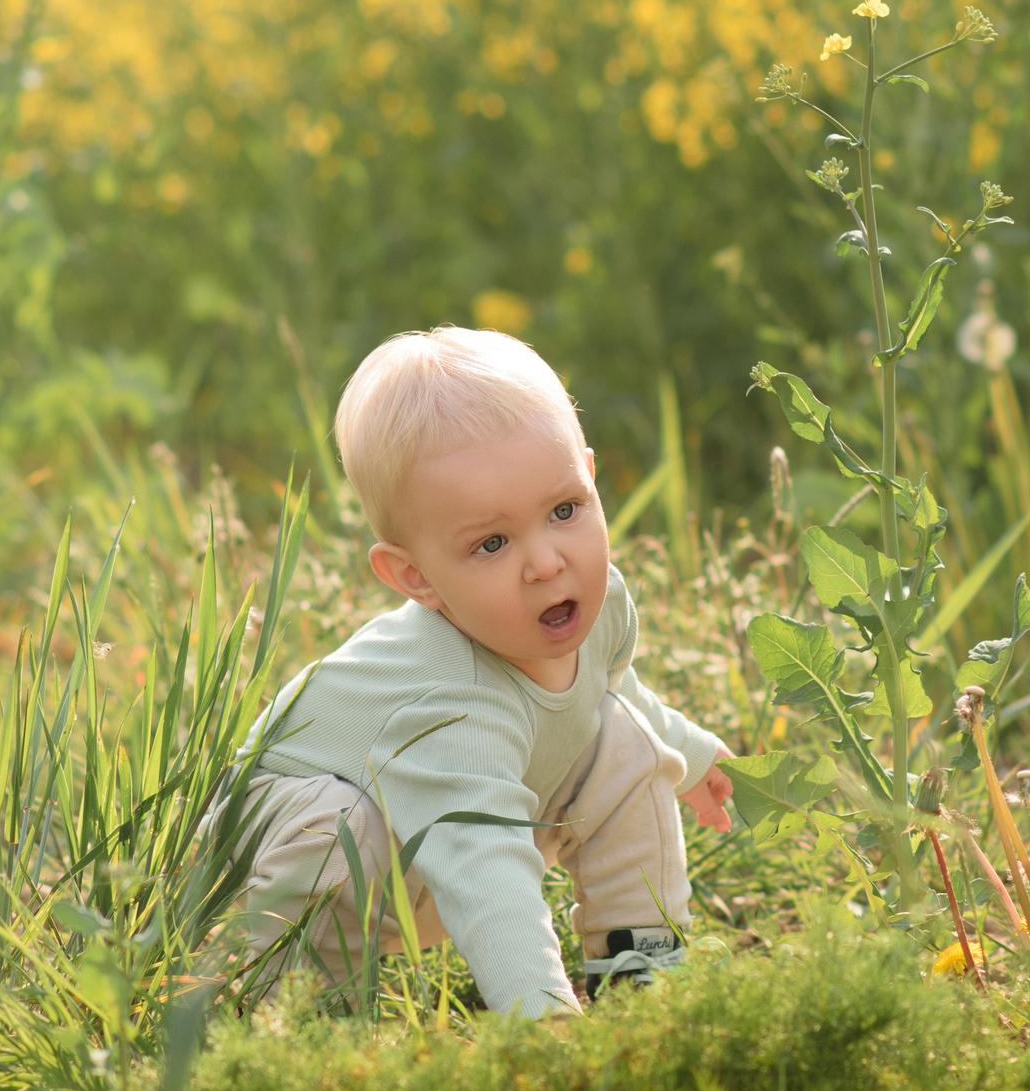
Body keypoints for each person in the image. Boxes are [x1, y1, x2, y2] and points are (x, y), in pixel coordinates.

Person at [230, 326, 735, 1017]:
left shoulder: (600, 601)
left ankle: (641, 980)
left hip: (429, 845)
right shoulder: (452, 699)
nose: (547, 561)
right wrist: (539, 1012)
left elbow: (611, 693)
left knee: (627, 746)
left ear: (590, 476)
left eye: (565, 510)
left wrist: (694, 752)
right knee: (335, 832)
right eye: (492, 542)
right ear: (415, 576)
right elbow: (483, 863)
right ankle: (305, 1023)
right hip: (298, 857)